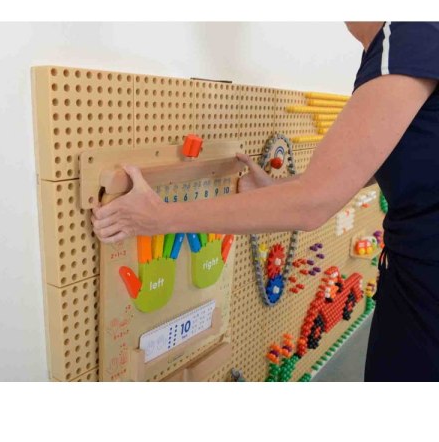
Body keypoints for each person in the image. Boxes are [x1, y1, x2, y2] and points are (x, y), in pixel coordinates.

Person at [92, 22, 439, 381]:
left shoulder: (408, 32)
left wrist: (160, 217)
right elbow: (373, 165)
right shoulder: (402, 42)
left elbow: (313, 203)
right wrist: (278, 188)